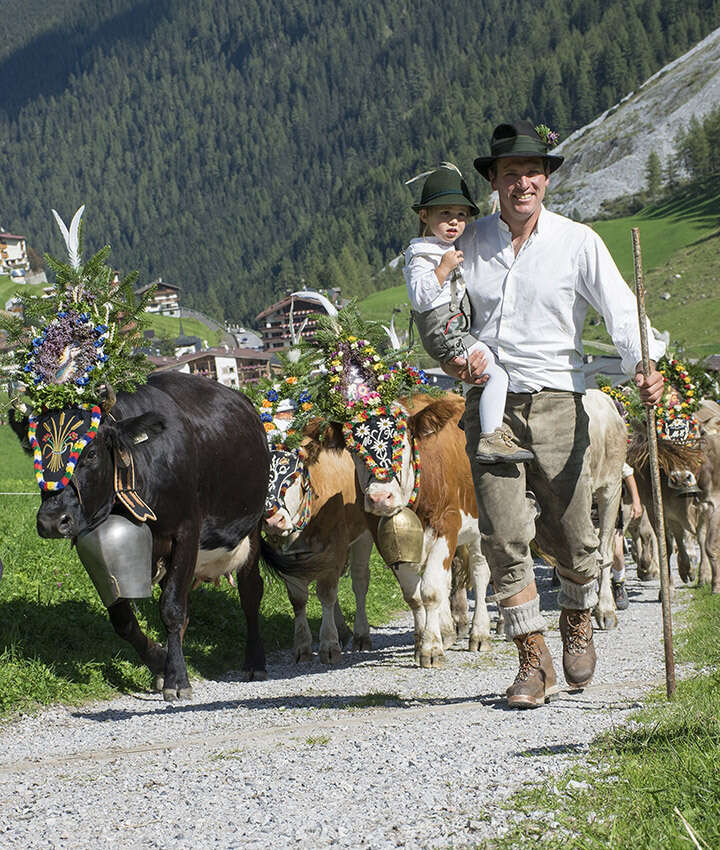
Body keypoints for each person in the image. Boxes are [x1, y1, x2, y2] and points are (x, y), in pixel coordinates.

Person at [442, 120, 665, 709]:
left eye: (533, 173)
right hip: (491, 401)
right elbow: (442, 312)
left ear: (546, 180)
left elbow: (620, 308)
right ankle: (532, 661)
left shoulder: (578, 241)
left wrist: (643, 362)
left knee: (572, 530)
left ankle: (576, 617)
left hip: (559, 400)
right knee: (504, 531)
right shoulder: (469, 244)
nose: (523, 184)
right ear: (493, 180)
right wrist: (452, 351)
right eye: (511, 174)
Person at [403, 163, 533, 464]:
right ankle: (490, 436)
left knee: (487, 370)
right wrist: (444, 268)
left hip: (452, 330)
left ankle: (473, 419)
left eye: (461, 215)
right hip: (447, 333)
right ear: (425, 216)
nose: (454, 222)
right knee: (497, 375)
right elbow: (421, 298)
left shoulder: (438, 247)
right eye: (444, 214)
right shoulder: (424, 255)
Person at [612, 462, 643, 610]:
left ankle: (619, 584)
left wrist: (636, 501)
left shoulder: (607, 449)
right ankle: (597, 589)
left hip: (610, 506)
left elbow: (628, 473)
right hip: (585, 507)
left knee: (617, 552)